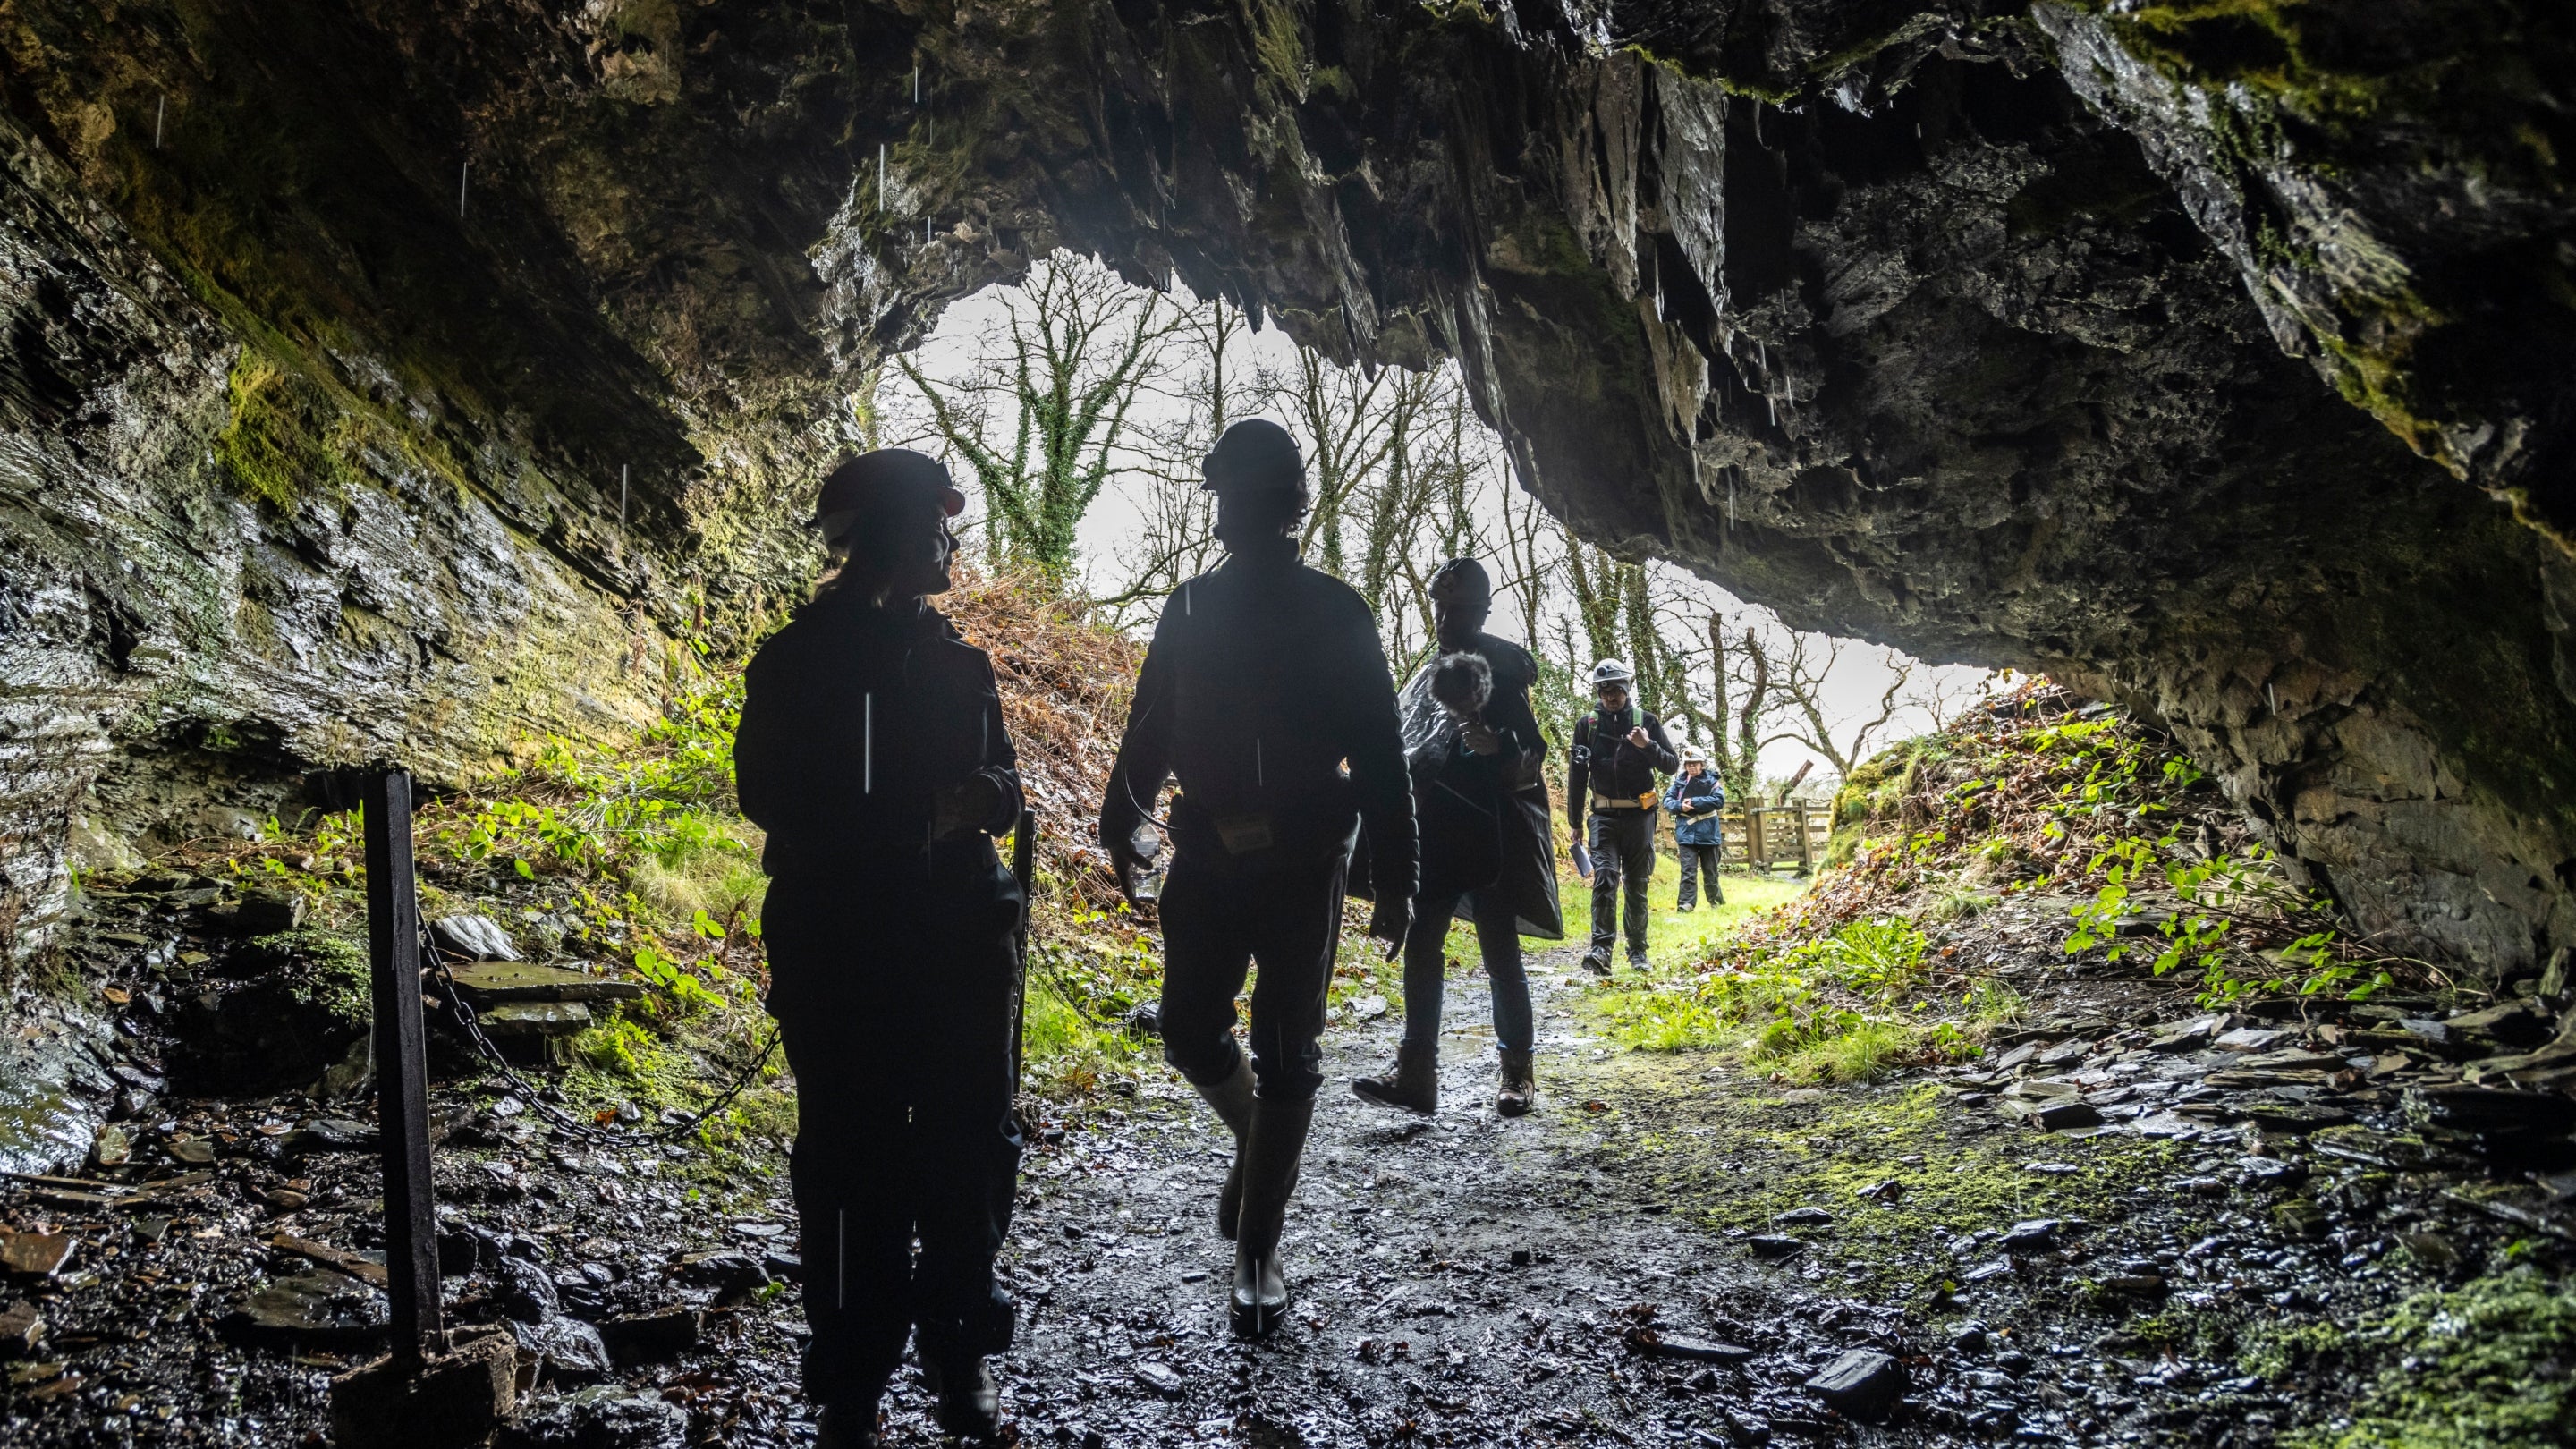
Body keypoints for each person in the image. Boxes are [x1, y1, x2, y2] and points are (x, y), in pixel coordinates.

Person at [733, 450, 1027, 1447]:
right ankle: (852, 1385)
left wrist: (984, 798)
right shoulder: (795, 662)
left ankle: (959, 1356)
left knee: (968, 1140)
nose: (952, 538)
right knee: (852, 1151)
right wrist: (906, 815)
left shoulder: (962, 664)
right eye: (937, 522)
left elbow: (1008, 786)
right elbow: (766, 796)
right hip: (844, 934)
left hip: (959, 932)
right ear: (893, 531)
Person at [1098, 419, 1417, 1338]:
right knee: (1188, 1028)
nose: (1232, 512)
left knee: (1288, 1049)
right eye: (1224, 496)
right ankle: (1260, 1145)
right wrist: (1122, 822)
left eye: (1248, 495)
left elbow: (1383, 757)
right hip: (1203, 851)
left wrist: (1396, 878)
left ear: (1285, 507)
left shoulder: (1338, 613)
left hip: (1304, 860)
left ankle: (1257, 1250)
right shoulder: (1189, 608)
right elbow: (1150, 725)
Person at [1353, 558, 1560, 1117]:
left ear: (1482, 613)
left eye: (1459, 609)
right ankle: (1416, 1073)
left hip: (1486, 835)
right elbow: (1406, 741)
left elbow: (1532, 751)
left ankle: (1518, 1072)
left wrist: (1503, 748)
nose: (1447, 617)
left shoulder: (1501, 668)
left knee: (1499, 952)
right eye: (1441, 607)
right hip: (1436, 831)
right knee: (1423, 946)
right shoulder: (1429, 672)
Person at [1568, 659, 1679, 973]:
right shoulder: (1586, 726)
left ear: (1626, 689)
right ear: (1598, 692)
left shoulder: (1646, 721)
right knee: (1604, 877)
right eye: (1605, 691)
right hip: (1602, 817)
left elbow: (1671, 764)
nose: (1610, 697)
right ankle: (1601, 950)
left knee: (1637, 883)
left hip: (1640, 817)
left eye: (1616, 690)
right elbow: (1576, 776)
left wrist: (1648, 745)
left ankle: (1638, 953)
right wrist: (1575, 822)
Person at [1665, 750, 1726, 911]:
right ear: (1685, 766)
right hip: (1686, 833)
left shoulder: (1712, 782)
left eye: (1695, 764)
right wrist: (1680, 805)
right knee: (1688, 872)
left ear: (1702, 765)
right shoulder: (1678, 783)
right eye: (1688, 764)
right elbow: (1667, 801)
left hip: (1708, 833)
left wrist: (1694, 801)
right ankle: (1686, 904)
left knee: (1711, 872)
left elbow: (1719, 801)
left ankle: (1716, 903)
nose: (1692, 767)